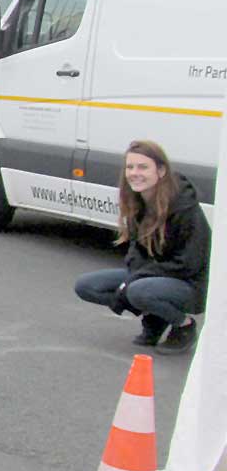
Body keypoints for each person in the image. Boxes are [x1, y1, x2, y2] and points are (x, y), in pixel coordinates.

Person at [74, 140, 210, 355]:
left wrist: (131, 284)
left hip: (190, 284)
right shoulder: (138, 201)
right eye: (130, 167)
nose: (134, 173)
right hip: (152, 277)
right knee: (86, 286)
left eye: (143, 167)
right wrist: (131, 280)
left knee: (138, 290)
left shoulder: (184, 207)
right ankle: (156, 317)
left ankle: (183, 325)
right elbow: (137, 252)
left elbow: (189, 263)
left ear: (161, 170)